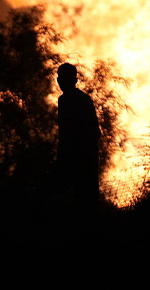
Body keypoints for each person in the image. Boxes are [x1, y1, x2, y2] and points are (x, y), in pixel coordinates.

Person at [56, 63, 101, 209]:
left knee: (83, 200)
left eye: (64, 78)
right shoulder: (71, 100)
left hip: (81, 157)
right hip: (78, 157)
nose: (61, 82)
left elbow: (92, 132)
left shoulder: (73, 100)